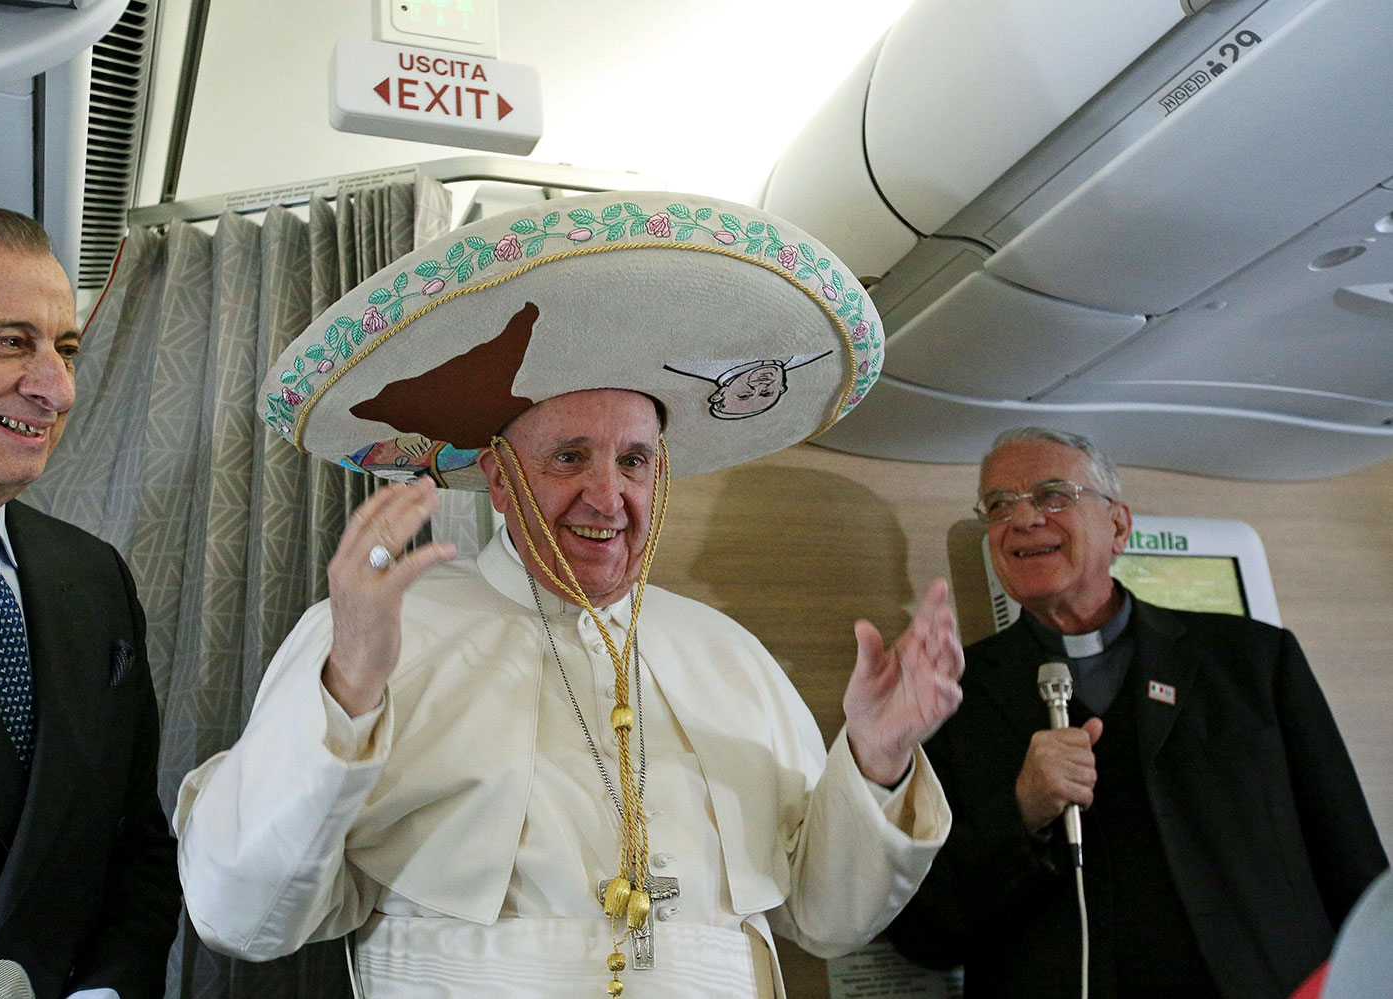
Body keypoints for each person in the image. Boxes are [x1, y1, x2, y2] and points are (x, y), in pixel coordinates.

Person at [174, 190, 960, 998]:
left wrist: (875, 757)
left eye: (634, 461)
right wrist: (345, 690)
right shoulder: (378, 632)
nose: (606, 495)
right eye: (568, 457)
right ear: (499, 480)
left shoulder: (729, 653)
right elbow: (241, 916)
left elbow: (827, 920)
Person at [885, 426, 1389, 998]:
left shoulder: (1252, 662)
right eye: (999, 505)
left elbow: (1358, 875)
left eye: (1053, 495)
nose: (1022, 519)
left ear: (1118, 525)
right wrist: (1022, 813)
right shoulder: (947, 697)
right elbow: (924, 935)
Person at [0, 195, 181, 998]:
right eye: (9, 342)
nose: (56, 390)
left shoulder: (93, 577)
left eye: (65, 347)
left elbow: (136, 849)